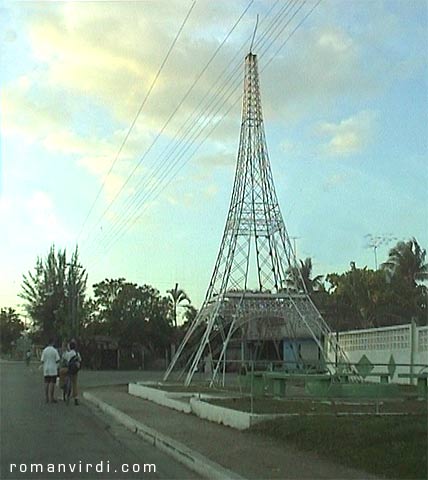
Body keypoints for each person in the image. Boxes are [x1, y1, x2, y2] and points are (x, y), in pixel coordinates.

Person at [40, 339, 60, 403]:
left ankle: (46, 398)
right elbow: (58, 360)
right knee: (52, 382)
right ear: (53, 343)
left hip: (46, 368)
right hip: (53, 368)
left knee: (46, 382)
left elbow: (42, 360)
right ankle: (51, 397)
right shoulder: (54, 350)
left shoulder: (44, 350)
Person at [62, 340, 82, 406]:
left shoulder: (68, 353)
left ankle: (63, 387)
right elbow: (80, 360)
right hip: (75, 371)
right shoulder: (77, 353)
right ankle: (76, 398)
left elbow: (63, 358)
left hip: (69, 370)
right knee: (75, 384)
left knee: (62, 374)